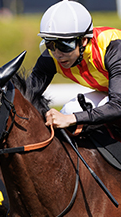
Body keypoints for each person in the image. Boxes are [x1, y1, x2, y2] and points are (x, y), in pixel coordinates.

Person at [27, 0, 121, 132]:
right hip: (112, 93)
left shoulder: (113, 49)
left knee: (73, 116)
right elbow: (27, 95)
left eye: (64, 45)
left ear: (83, 41)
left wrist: (72, 119)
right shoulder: (52, 57)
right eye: (50, 45)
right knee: (69, 110)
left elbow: (118, 106)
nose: (57, 54)